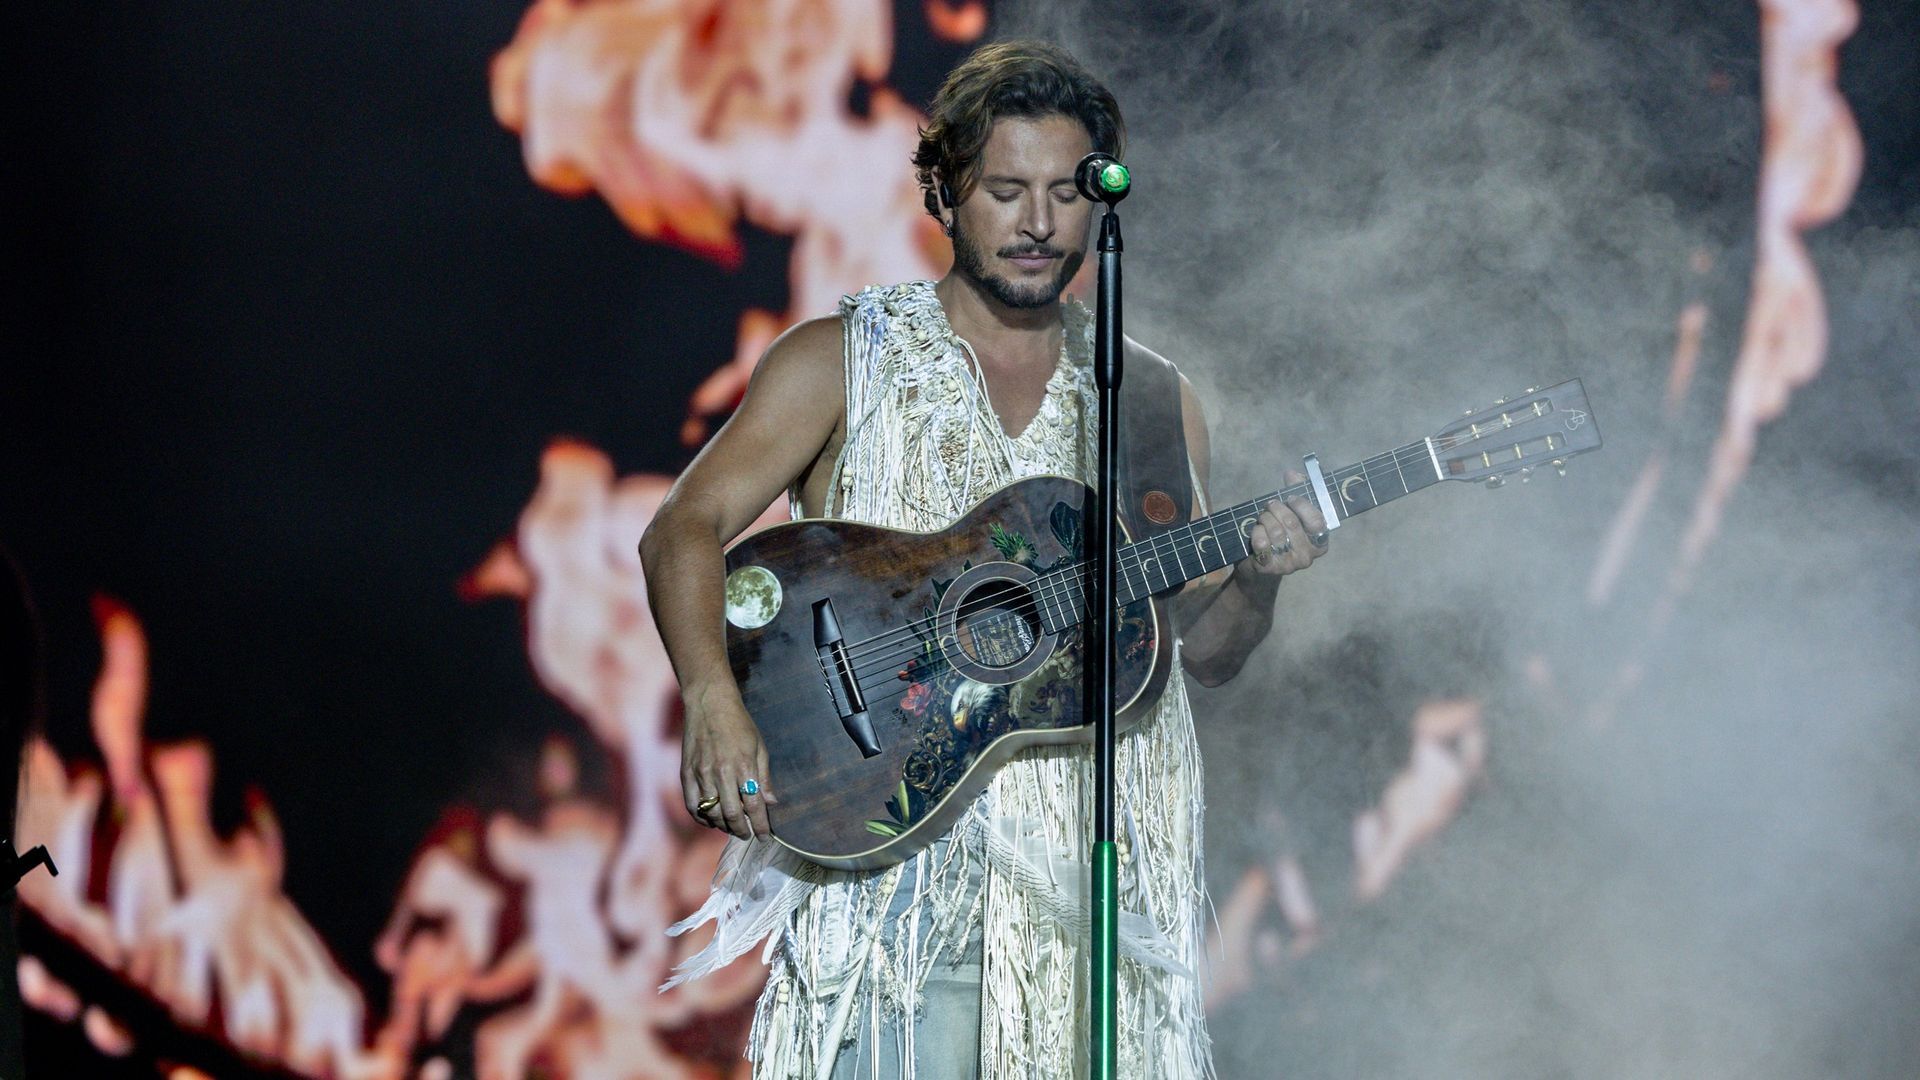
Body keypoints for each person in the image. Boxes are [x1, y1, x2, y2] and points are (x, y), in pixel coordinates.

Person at [640, 39, 1329, 1078]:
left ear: (1101, 205)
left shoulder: (1145, 399)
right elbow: (682, 528)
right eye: (1006, 190)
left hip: (1093, 910)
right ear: (948, 193)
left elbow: (1204, 649)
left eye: (1064, 193)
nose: (1039, 223)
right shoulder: (843, 359)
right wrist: (710, 692)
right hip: (892, 902)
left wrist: (1262, 576)